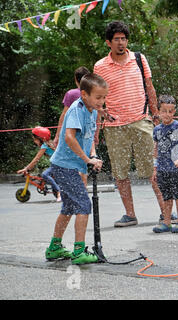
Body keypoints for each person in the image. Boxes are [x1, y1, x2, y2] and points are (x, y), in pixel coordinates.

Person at [93, 21, 161, 227]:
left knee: (155, 170)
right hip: (114, 127)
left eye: (124, 38)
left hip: (141, 121)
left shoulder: (139, 59)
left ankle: (167, 211)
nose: (121, 42)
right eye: (117, 39)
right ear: (108, 42)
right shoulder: (100, 66)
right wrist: (99, 116)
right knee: (120, 173)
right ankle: (130, 214)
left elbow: (150, 88)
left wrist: (156, 115)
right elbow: (97, 96)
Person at [44, 73, 106, 265]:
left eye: (104, 97)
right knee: (83, 205)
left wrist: (93, 155)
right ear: (84, 94)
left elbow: (88, 137)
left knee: (69, 206)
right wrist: (87, 159)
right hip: (64, 166)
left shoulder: (93, 110)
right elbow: (70, 137)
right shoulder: (76, 110)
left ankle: (54, 248)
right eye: (98, 97)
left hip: (69, 166)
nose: (101, 101)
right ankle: (79, 252)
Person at [152, 95, 178, 233]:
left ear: (174, 112)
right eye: (164, 111)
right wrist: (155, 168)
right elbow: (156, 150)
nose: (167, 114)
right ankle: (167, 222)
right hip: (162, 169)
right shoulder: (157, 129)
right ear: (158, 112)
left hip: (176, 168)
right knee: (166, 197)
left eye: (170, 111)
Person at [17, 126, 61, 202]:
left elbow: (36, 159)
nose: (34, 141)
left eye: (35, 139)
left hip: (59, 164)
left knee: (45, 174)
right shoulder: (49, 144)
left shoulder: (44, 146)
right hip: (58, 164)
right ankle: (57, 189)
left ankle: (59, 192)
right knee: (49, 175)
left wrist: (26, 168)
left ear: (41, 139)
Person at [54, 66, 91, 147]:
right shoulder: (93, 94)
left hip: (72, 132)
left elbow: (64, 115)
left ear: (75, 79)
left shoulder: (71, 94)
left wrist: (57, 135)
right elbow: (97, 114)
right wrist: (96, 134)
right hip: (88, 132)